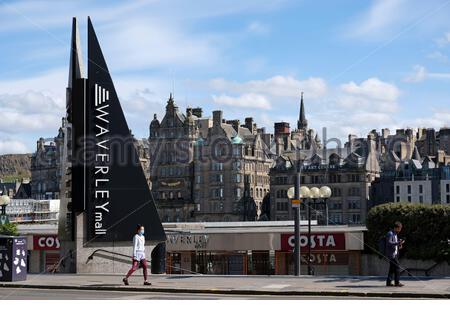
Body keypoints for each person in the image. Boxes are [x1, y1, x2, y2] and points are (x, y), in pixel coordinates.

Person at [386, 221, 405, 287]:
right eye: (400, 228)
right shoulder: (390, 233)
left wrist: (399, 245)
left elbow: (395, 243)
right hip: (392, 255)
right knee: (397, 268)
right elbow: (389, 243)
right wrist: (398, 243)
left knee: (392, 269)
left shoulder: (395, 234)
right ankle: (397, 282)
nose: (400, 230)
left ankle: (388, 282)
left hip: (395, 254)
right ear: (396, 228)